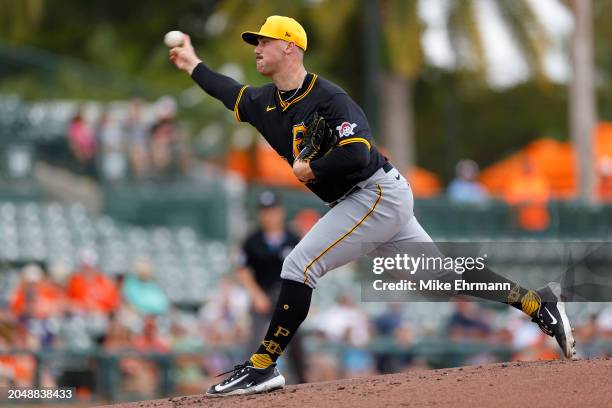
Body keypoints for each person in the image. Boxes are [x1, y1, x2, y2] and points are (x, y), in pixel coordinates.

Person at [169, 15, 575, 397]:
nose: (256, 47)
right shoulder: (264, 103)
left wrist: (312, 169)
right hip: (365, 202)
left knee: (298, 266)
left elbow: (359, 154)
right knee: (440, 281)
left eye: (264, 41)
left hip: (374, 192)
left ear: (290, 48)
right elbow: (227, 92)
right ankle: (536, 302)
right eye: (255, 42)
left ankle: (263, 366)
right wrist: (192, 65)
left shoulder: (329, 97)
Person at [235, 191, 306, 383]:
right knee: (254, 341)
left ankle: (302, 383)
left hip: (286, 295)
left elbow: (304, 268)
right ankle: (246, 380)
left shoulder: (293, 238)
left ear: (281, 212)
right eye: (265, 211)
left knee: (295, 340)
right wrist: (256, 295)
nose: (269, 215)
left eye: (272, 210)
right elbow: (242, 269)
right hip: (262, 295)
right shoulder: (252, 240)